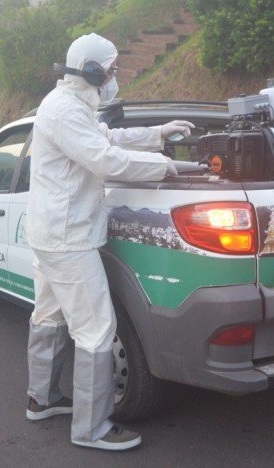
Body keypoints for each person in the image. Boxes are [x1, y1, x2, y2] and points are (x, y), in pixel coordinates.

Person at [24, 33, 194, 451]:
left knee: (49, 316)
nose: (115, 77)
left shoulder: (68, 104)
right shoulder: (65, 110)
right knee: (97, 330)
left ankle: (41, 399)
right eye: (112, 70)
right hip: (69, 239)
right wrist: (164, 166)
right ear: (95, 72)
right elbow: (104, 159)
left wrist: (158, 134)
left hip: (53, 236)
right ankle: (92, 428)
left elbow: (107, 139)